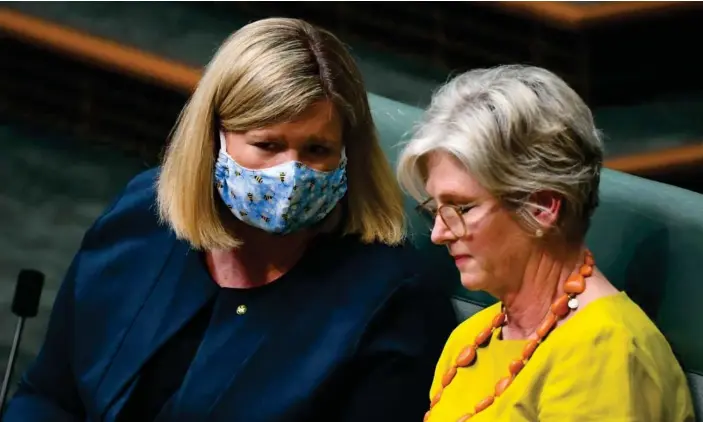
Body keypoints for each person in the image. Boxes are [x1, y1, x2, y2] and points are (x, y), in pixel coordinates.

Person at [4, 18, 457, 422]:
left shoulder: (398, 305)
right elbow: (50, 395)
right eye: (267, 145)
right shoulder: (143, 212)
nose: (291, 173)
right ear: (213, 139)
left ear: (347, 155)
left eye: (316, 150)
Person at [396, 64, 695, 421]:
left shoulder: (603, 352)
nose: (439, 233)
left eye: (462, 207)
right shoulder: (470, 339)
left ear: (542, 208)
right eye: (436, 209)